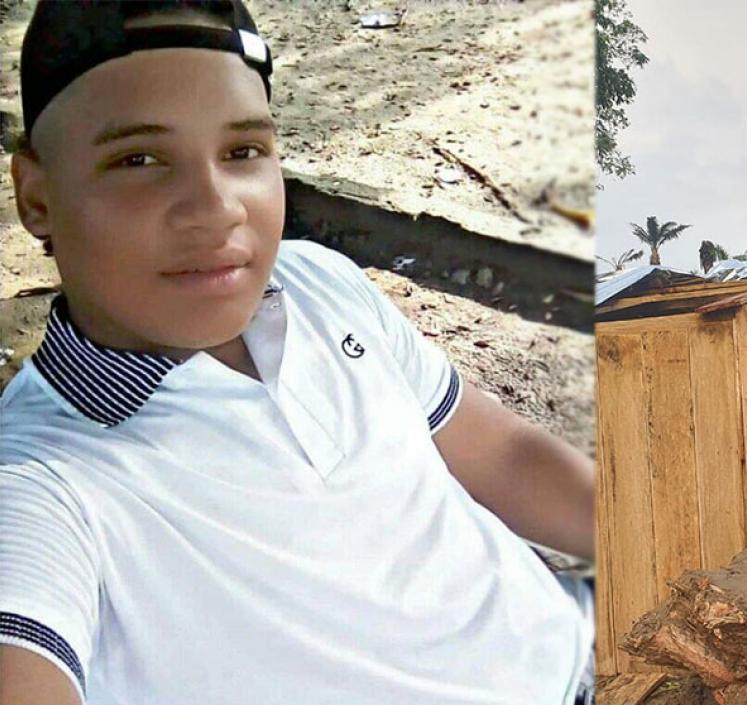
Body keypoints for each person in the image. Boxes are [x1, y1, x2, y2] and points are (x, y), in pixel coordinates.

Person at [0, 2, 594, 704]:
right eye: (140, 159)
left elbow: (500, 455)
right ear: (36, 197)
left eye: (243, 152)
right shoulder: (40, 481)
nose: (216, 206)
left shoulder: (316, 282)